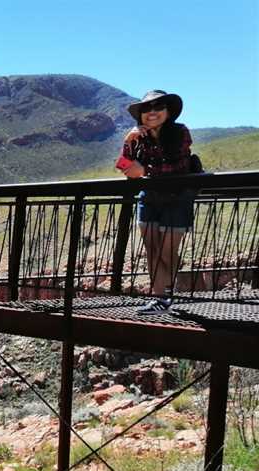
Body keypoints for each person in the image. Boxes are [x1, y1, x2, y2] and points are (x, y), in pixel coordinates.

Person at [116, 90, 196, 313]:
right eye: (146, 109)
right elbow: (123, 166)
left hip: (177, 199)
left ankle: (165, 296)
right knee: (152, 250)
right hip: (148, 199)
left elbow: (178, 167)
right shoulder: (138, 137)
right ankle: (160, 299)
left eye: (158, 107)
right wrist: (127, 141)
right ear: (140, 115)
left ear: (168, 111)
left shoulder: (180, 132)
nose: (152, 112)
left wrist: (144, 170)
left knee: (165, 252)